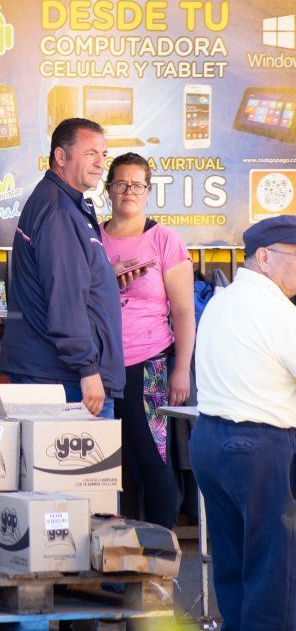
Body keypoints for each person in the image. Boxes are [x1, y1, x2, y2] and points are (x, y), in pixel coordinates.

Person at [189, 215, 296, 629]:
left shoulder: (223, 300)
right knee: (275, 576)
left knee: (234, 572)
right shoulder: (275, 309)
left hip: (213, 444)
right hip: (261, 449)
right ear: (264, 258)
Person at [3, 118, 144, 417]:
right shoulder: (59, 211)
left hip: (55, 373)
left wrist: (104, 277)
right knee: (78, 465)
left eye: (103, 154)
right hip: (63, 379)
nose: (100, 163)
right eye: (91, 153)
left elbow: (69, 279)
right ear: (61, 156)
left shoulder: (66, 204)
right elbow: (65, 298)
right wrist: (88, 369)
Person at [99, 152, 194, 528]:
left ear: (149, 191)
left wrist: (181, 369)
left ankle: (158, 563)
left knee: (153, 464)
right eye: (121, 183)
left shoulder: (164, 239)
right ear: (108, 189)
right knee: (103, 468)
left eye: (137, 184)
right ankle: (111, 560)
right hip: (97, 368)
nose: (128, 191)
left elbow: (184, 312)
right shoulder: (93, 237)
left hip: (149, 365)